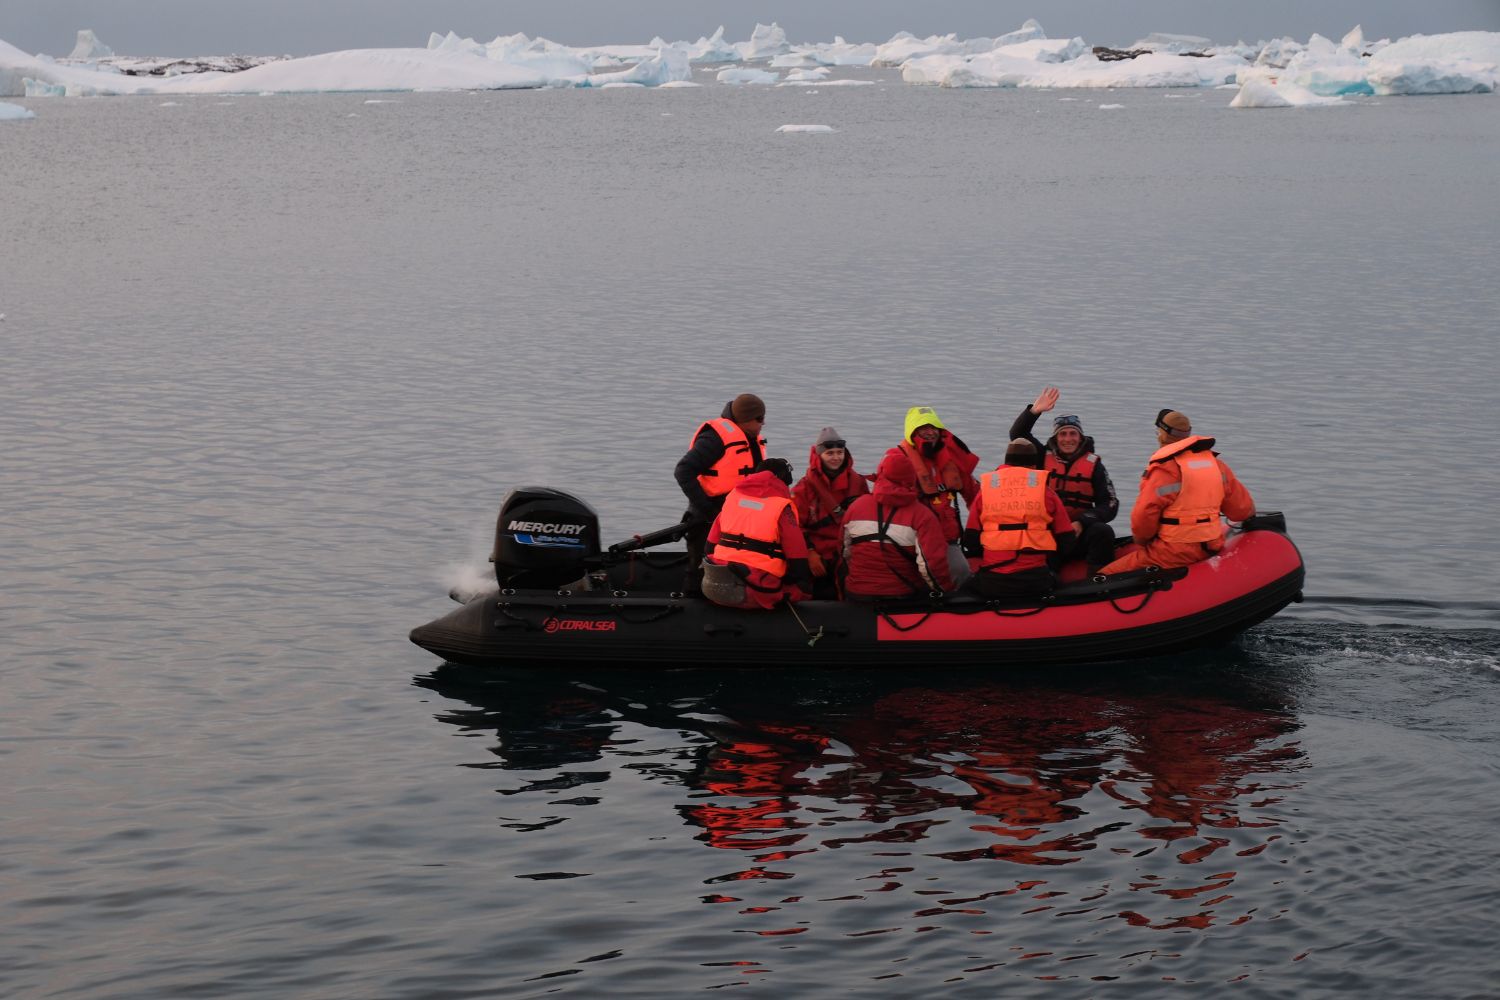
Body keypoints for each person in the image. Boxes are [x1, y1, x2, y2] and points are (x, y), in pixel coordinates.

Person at [1096, 409, 1256, 576]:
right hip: (1211, 545)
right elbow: (1242, 510)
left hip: (1173, 551)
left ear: (1162, 434)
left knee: (1105, 575)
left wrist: (1142, 541)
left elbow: (1144, 515)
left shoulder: (1166, 470)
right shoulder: (1216, 465)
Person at [1009, 385, 1120, 572]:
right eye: (1063, 434)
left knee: (1103, 531)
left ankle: (1098, 580)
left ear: (1080, 437)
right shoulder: (1042, 456)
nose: (1068, 439)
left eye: (1072, 433)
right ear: (1056, 437)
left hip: (1080, 532)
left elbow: (1110, 504)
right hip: (1050, 534)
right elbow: (1017, 435)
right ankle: (1049, 582)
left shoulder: (1094, 466)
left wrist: (1082, 522)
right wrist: (1034, 411)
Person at [674, 393, 767, 591]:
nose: (763, 423)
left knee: (731, 566)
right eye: (759, 419)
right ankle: (691, 610)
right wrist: (709, 511)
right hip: (707, 517)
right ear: (744, 419)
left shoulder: (750, 437)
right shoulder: (714, 439)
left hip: (736, 518)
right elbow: (683, 471)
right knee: (700, 569)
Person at [963, 439, 1076, 599]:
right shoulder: (1046, 492)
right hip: (1036, 581)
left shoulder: (985, 492)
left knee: (962, 591)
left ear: (1006, 462)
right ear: (1033, 465)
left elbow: (970, 540)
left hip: (993, 581)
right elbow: (1067, 541)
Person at [840, 448, 955, 600]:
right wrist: (944, 592)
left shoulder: (856, 507)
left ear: (881, 473)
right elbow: (931, 564)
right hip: (901, 595)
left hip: (857, 593)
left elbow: (844, 551)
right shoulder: (922, 515)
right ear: (911, 477)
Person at [702, 458, 814, 610]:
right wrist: (798, 580)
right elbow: (797, 557)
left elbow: (709, 546)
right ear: (781, 481)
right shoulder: (781, 507)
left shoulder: (733, 498)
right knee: (803, 588)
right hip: (755, 589)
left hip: (716, 582)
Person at [897, 405, 979, 583]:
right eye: (923, 428)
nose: (930, 432)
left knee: (961, 573)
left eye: (933, 427)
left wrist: (978, 532)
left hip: (946, 537)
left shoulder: (951, 460)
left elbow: (976, 498)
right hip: (911, 537)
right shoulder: (899, 459)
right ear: (912, 433)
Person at [791, 427, 870, 599]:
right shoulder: (804, 488)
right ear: (819, 455)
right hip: (819, 554)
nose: (836, 458)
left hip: (849, 550)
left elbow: (868, 520)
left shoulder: (858, 484)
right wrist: (810, 553)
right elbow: (796, 525)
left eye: (839, 452)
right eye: (830, 453)